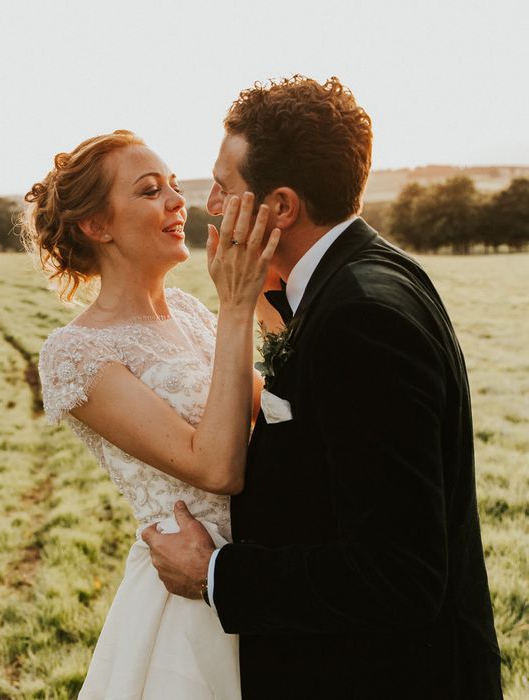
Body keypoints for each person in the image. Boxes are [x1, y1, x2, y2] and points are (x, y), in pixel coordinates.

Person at [142, 75, 504, 699]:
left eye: (226, 191)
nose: (213, 209)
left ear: (281, 207)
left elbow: (400, 576)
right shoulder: (364, 276)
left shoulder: (360, 320)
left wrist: (216, 573)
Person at [28, 129, 279, 698]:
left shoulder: (189, 312)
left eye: (171, 186)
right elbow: (217, 470)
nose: (176, 203)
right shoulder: (76, 353)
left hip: (262, 578)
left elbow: (266, 419)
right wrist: (236, 306)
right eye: (148, 191)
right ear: (97, 225)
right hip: (188, 601)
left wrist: (265, 296)